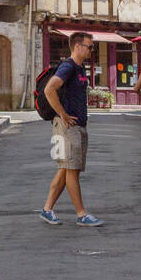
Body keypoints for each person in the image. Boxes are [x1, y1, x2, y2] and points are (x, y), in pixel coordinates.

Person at [38, 32, 104, 227]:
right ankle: (81, 214)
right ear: (77, 46)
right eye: (90, 46)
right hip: (67, 127)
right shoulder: (68, 66)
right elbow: (49, 89)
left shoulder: (80, 68)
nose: (92, 50)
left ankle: (47, 209)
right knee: (72, 169)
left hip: (77, 126)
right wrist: (63, 114)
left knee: (65, 168)